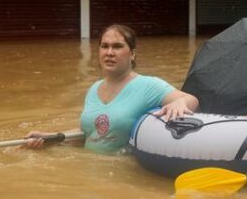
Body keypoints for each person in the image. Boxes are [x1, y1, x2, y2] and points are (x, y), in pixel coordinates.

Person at [25, 24, 199, 153]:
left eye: (117, 46)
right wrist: (49, 138)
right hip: (88, 173)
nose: (109, 52)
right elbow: (88, 133)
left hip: (123, 175)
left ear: (132, 54)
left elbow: (192, 100)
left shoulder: (148, 85)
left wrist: (179, 103)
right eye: (104, 46)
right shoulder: (94, 89)